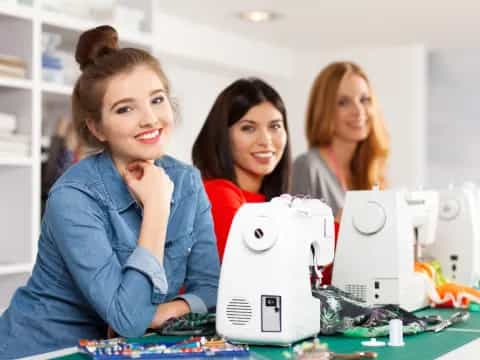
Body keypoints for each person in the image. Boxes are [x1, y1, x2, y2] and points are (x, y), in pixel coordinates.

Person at [0, 25, 219, 358]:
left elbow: (212, 287)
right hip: (44, 350)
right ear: (96, 127)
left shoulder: (187, 181)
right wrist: (157, 209)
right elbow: (129, 319)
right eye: (125, 109)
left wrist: (165, 311)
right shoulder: (73, 197)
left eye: (157, 100)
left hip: (126, 349)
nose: (150, 119)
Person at [192, 78, 291, 261]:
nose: (266, 140)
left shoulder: (272, 204)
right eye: (248, 128)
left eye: (275, 126)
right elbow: (261, 269)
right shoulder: (217, 194)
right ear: (223, 135)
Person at [292, 61, 389, 219]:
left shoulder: (366, 170)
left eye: (364, 100)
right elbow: (295, 237)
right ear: (324, 110)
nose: (358, 111)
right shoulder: (307, 167)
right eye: (343, 102)